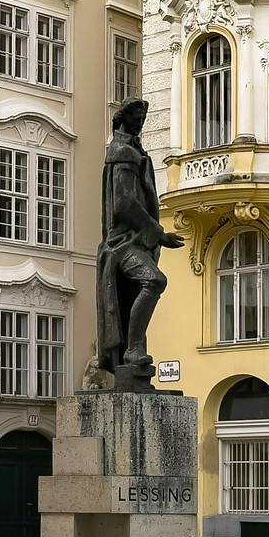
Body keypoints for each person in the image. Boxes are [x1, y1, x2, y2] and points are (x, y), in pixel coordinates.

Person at [96, 99, 185, 389]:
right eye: (136, 119)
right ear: (123, 119)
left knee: (138, 292)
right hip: (123, 244)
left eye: (143, 119)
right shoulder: (122, 152)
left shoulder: (133, 150)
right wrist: (159, 233)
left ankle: (134, 354)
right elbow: (124, 203)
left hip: (135, 240)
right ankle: (133, 349)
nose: (140, 124)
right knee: (154, 280)